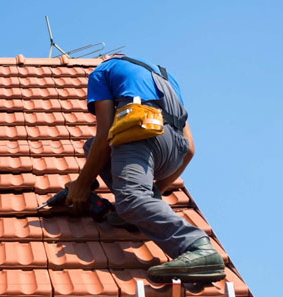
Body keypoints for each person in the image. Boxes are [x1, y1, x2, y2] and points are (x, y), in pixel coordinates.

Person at [64, 55, 225, 282]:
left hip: (142, 133)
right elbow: (190, 150)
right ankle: (141, 209)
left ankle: (197, 247)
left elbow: (104, 136)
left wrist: (81, 185)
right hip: (173, 151)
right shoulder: (166, 78)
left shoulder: (102, 72)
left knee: (129, 199)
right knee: (92, 148)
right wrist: (157, 189)